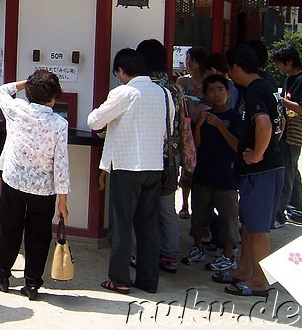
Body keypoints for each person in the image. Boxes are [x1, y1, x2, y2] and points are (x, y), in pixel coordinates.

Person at [87, 48, 172, 295]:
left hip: (126, 166)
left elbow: (95, 121)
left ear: (121, 71)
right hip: (154, 166)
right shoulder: (164, 93)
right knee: (147, 226)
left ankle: (119, 278)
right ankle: (148, 280)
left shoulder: (124, 92)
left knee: (122, 225)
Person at [0, 69, 70, 301]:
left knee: (8, 229)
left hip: (14, 180)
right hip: (44, 188)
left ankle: (1, 276)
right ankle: (32, 283)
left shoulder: (16, 110)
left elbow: (1, 90)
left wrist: (27, 83)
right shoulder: (59, 123)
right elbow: (61, 163)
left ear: (30, 93)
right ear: (54, 97)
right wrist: (63, 199)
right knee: (39, 234)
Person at [218, 45, 284, 297]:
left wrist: (258, 153)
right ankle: (244, 269)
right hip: (261, 169)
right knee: (248, 225)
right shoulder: (265, 85)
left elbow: (265, 125)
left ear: (235, 68)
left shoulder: (256, 91)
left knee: (257, 230)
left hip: (262, 171)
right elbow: (281, 123)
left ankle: (259, 281)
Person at [181, 74, 242, 272]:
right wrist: (198, 125)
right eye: (212, 90)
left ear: (228, 92)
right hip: (204, 174)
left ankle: (228, 254)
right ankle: (197, 248)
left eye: (220, 89)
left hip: (227, 176)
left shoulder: (235, 118)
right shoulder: (203, 117)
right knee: (199, 213)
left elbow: (237, 147)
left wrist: (220, 126)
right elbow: (196, 147)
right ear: (206, 94)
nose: (216, 94)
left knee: (228, 217)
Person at [136, 38, 183, 275]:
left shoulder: (138, 88)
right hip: (169, 156)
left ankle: (140, 253)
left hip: (144, 155)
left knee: (140, 208)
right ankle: (170, 254)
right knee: (167, 208)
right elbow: (181, 124)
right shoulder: (174, 89)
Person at [271, 44, 302, 227]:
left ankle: (279, 214)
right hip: (285, 131)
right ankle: (296, 210)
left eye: (279, 63)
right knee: (292, 170)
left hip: (293, 133)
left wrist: (281, 100)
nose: (278, 67)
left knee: (287, 172)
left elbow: (301, 109)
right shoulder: (288, 79)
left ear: (289, 61)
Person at [176, 46, 210, 220]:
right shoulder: (182, 81)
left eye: (192, 59)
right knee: (187, 169)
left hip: (205, 130)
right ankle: (184, 204)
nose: (188, 63)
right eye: (187, 59)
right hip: (187, 130)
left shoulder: (210, 82)